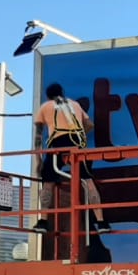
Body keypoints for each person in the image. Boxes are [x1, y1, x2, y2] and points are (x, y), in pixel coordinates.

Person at [34, 83, 109, 235]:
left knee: (47, 182)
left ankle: (43, 221)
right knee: (87, 180)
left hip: (58, 144)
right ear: (62, 92)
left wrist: (38, 160)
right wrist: (81, 133)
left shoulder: (45, 107)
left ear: (48, 96)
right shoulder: (75, 104)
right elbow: (89, 124)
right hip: (77, 143)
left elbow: (38, 136)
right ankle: (101, 222)